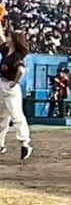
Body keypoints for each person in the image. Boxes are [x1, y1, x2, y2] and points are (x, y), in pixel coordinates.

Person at [0, 21, 33, 161]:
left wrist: (16, 81)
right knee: (2, 117)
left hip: (10, 87)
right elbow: (1, 36)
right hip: (2, 84)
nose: (6, 39)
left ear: (13, 41)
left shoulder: (17, 55)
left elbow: (21, 70)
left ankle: (25, 143)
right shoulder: (7, 50)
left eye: (9, 37)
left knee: (16, 116)